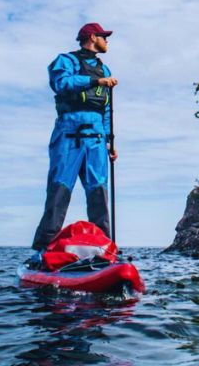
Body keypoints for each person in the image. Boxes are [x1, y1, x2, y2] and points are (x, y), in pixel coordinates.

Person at [28, 23, 119, 266]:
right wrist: (96, 81)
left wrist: (110, 143)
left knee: (99, 193)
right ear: (92, 37)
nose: (107, 41)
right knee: (59, 192)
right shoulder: (65, 61)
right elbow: (61, 84)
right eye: (104, 37)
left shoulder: (104, 68)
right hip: (69, 132)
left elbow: (107, 109)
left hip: (97, 136)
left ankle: (105, 251)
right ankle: (41, 252)